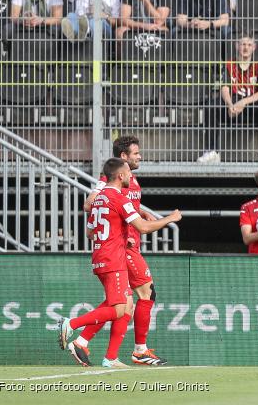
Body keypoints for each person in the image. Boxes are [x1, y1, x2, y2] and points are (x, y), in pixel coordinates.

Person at [57, 157, 181, 369]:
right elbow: (142, 227)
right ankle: (71, 325)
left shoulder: (98, 198)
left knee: (125, 306)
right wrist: (169, 218)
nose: (131, 176)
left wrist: (119, 234)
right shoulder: (119, 198)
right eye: (128, 173)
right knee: (118, 310)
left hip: (102, 255)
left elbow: (90, 231)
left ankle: (109, 357)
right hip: (113, 258)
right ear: (121, 175)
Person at [197, 34, 258, 164]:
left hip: (250, 108)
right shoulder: (228, 65)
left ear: (254, 47)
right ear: (237, 46)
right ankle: (212, 151)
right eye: (243, 44)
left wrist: (243, 102)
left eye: (249, 45)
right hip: (231, 109)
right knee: (211, 106)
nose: (246, 48)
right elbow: (224, 88)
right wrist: (230, 104)